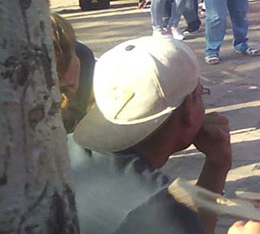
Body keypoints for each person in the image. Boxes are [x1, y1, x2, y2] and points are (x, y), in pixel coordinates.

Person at [67, 37, 233, 234]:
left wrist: (217, 166)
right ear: (189, 109)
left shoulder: (62, 147)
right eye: (200, 93)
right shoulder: (157, 209)